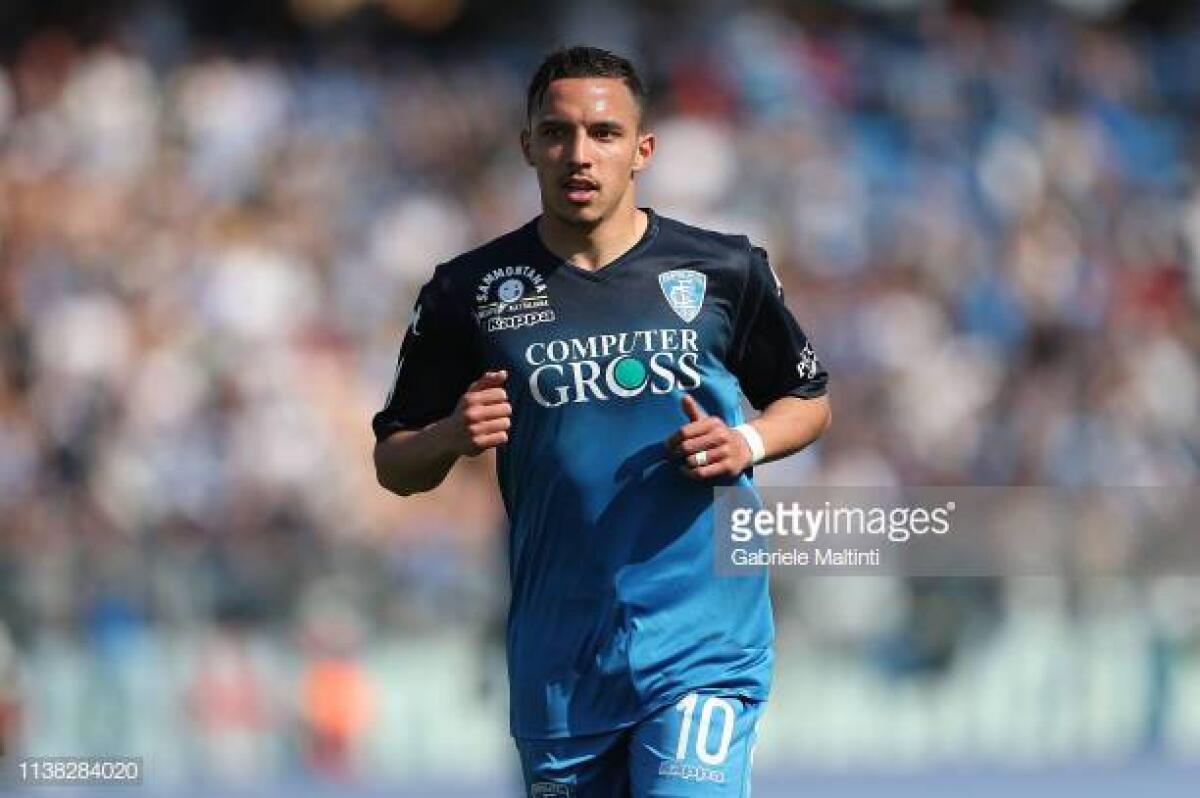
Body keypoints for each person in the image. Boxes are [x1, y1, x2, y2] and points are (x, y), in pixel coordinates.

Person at [372, 45, 830, 797]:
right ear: (528, 146)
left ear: (642, 149)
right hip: (561, 661)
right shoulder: (468, 292)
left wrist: (743, 440)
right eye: (556, 133)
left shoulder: (724, 269)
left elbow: (808, 401)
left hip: (701, 643)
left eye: (604, 133)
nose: (578, 154)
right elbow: (394, 465)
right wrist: (450, 436)